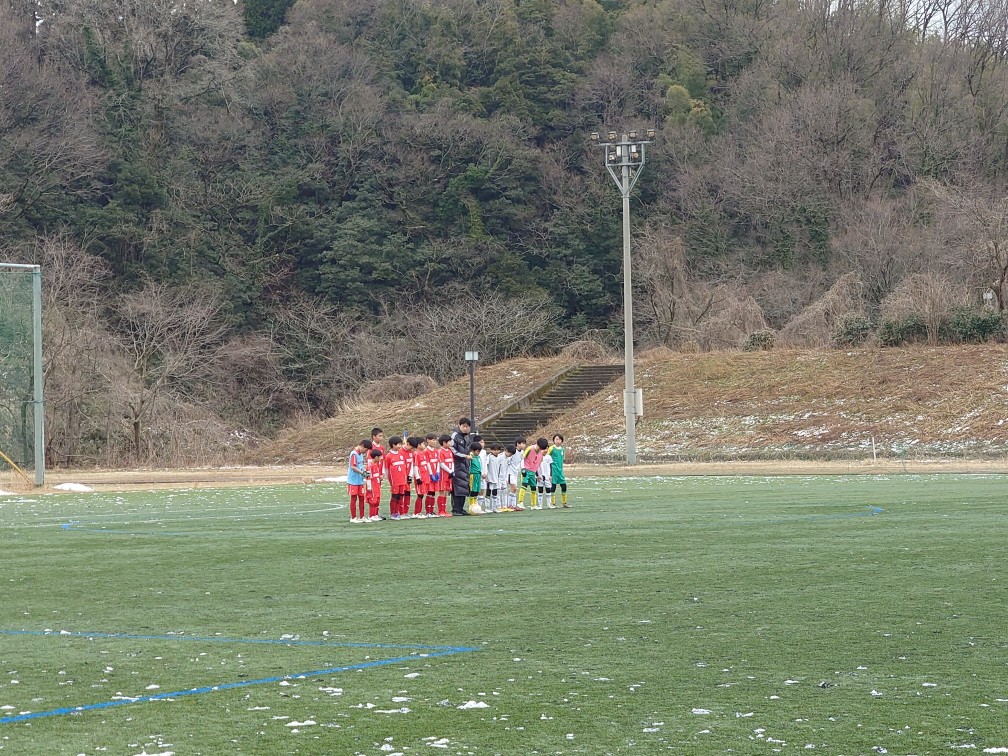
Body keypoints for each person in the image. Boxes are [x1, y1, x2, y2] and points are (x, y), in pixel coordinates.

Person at [450, 418, 472, 515]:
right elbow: (452, 450)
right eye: (463, 426)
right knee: (457, 488)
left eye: (467, 426)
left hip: (465, 465)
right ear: (459, 426)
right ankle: (456, 509)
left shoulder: (467, 437)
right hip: (457, 465)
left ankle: (461, 508)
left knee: (464, 487)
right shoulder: (455, 436)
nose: (465, 428)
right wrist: (464, 456)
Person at [519, 437, 548, 509]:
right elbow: (522, 458)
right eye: (539, 447)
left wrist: (541, 474)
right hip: (526, 470)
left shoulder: (541, 453)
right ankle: (520, 502)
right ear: (537, 444)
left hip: (533, 472)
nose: (540, 449)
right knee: (524, 485)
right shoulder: (530, 449)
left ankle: (533, 505)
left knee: (533, 487)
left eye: (542, 448)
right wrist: (523, 469)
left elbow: (539, 464)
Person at [385, 436, 409, 519]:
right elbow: (387, 469)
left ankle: (398, 512)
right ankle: (393, 513)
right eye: (398, 444)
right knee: (395, 496)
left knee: (400, 496)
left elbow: (403, 467)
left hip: (402, 479)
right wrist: (389, 480)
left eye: (400, 444)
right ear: (393, 445)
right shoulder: (389, 456)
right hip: (394, 480)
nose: (400, 446)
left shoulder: (401, 454)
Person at [347, 440, 367, 523]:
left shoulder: (360, 454)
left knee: (362, 498)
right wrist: (362, 473)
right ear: (362, 446)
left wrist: (364, 471)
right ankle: (353, 517)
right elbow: (353, 467)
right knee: (354, 498)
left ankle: (362, 516)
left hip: (360, 480)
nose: (365, 451)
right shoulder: (354, 454)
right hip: (353, 481)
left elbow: (361, 466)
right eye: (365, 449)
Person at [436, 434, 454, 517]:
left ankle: (444, 510)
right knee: (442, 492)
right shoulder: (440, 451)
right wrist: (450, 471)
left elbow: (452, 462)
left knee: (446, 492)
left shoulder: (450, 451)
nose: (450, 443)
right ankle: (440, 511)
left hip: (449, 475)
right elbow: (441, 464)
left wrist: (452, 471)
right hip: (443, 475)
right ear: (444, 442)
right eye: (449, 441)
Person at [551, 433, 570, 508]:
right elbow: (546, 457)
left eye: (559, 439)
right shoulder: (551, 448)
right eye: (556, 439)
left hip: (560, 471)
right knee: (553, 486)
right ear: (553, 440)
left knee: (564, 486)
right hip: (553, 470)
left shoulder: (562, 449)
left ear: (562, 441)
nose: (558, 441)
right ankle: (552, 503)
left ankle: (564, 503)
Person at [365, 447, 384, 521]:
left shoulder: (377, 465)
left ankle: (376, 514)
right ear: (376, 457)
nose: (381, 458)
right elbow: (368, 477)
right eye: (380, 457)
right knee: (373, 501)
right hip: (372, 487)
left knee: (377, 501)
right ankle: (371, 515)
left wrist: (380, 477)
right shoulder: (370, 466)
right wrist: (369, 487)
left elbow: (376, 475)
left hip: (377, 486)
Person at [485, 442, 504, 513]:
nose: (496, 451)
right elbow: (485, 465)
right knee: (488, 492)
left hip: (496, 478)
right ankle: (487, 508)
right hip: (490, 478)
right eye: (494, 450)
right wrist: (486, 474)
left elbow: (500, 468)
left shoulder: (499, 457)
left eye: (497, 450)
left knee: (495, 492)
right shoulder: (489, 457)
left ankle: (494, 507)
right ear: (491, 450)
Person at [467, 441, 484, 514]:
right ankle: (471, 506)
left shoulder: (478, 457)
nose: (478, 453)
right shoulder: (470, 456)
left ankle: (475, 505)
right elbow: (469, 466)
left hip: (478, 475)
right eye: (478, 451)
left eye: (479, 451)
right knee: (472, 490)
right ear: (473, 450)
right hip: (473, 475)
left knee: (477, 491)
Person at [538, 444, 554, 509]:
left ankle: (549, 504)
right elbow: (535, 467)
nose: (546, 450)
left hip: (547, 477)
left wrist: (550, 475)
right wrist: (537, 475)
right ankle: (540, 505)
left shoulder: (549, 457)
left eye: (547, 449)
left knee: (548, 490)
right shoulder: (538, 456)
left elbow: (551, 466)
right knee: (540, 490)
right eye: (544, 449)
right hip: (540, 477)